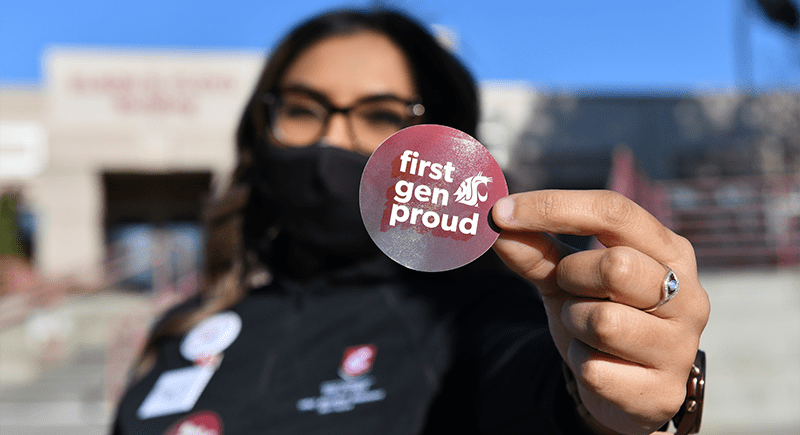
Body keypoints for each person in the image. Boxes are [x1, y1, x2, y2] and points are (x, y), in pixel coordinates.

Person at [111, 8, 709, 435]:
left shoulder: (479, 313)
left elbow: (535, 388)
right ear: (260, 132)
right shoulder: (186, 328)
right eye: (301, 109)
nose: (331, 139)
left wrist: (599, 396)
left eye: (377, 114)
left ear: (437, 142)